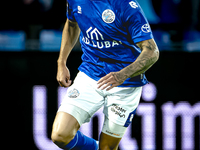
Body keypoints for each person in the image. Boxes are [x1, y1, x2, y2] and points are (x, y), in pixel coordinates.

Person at [51, 0, 159, 149]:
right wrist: (61, 62)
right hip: (90, 73)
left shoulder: (126, 5)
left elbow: (152, 52)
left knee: (107, 148)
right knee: (60, 135)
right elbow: (71, 24)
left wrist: (122, 75)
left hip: (125, 84)